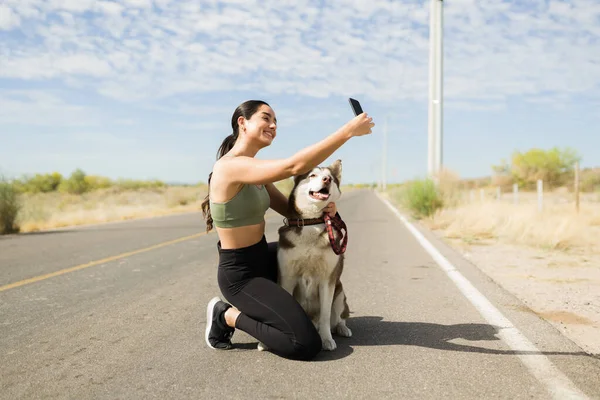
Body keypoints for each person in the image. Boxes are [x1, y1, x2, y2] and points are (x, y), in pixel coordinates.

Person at [201, 99, 374, 361]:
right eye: (265, 118)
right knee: (303, 343)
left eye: (275, 122)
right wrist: (348, 131)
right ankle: (226, 316)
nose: (273, 125)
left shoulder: (255, 172)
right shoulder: (229, 166)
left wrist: (325, 206)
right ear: (242, 122)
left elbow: (293, 211)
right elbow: (293, 167)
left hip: (263, 256)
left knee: (323, 258)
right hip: (241, 275)